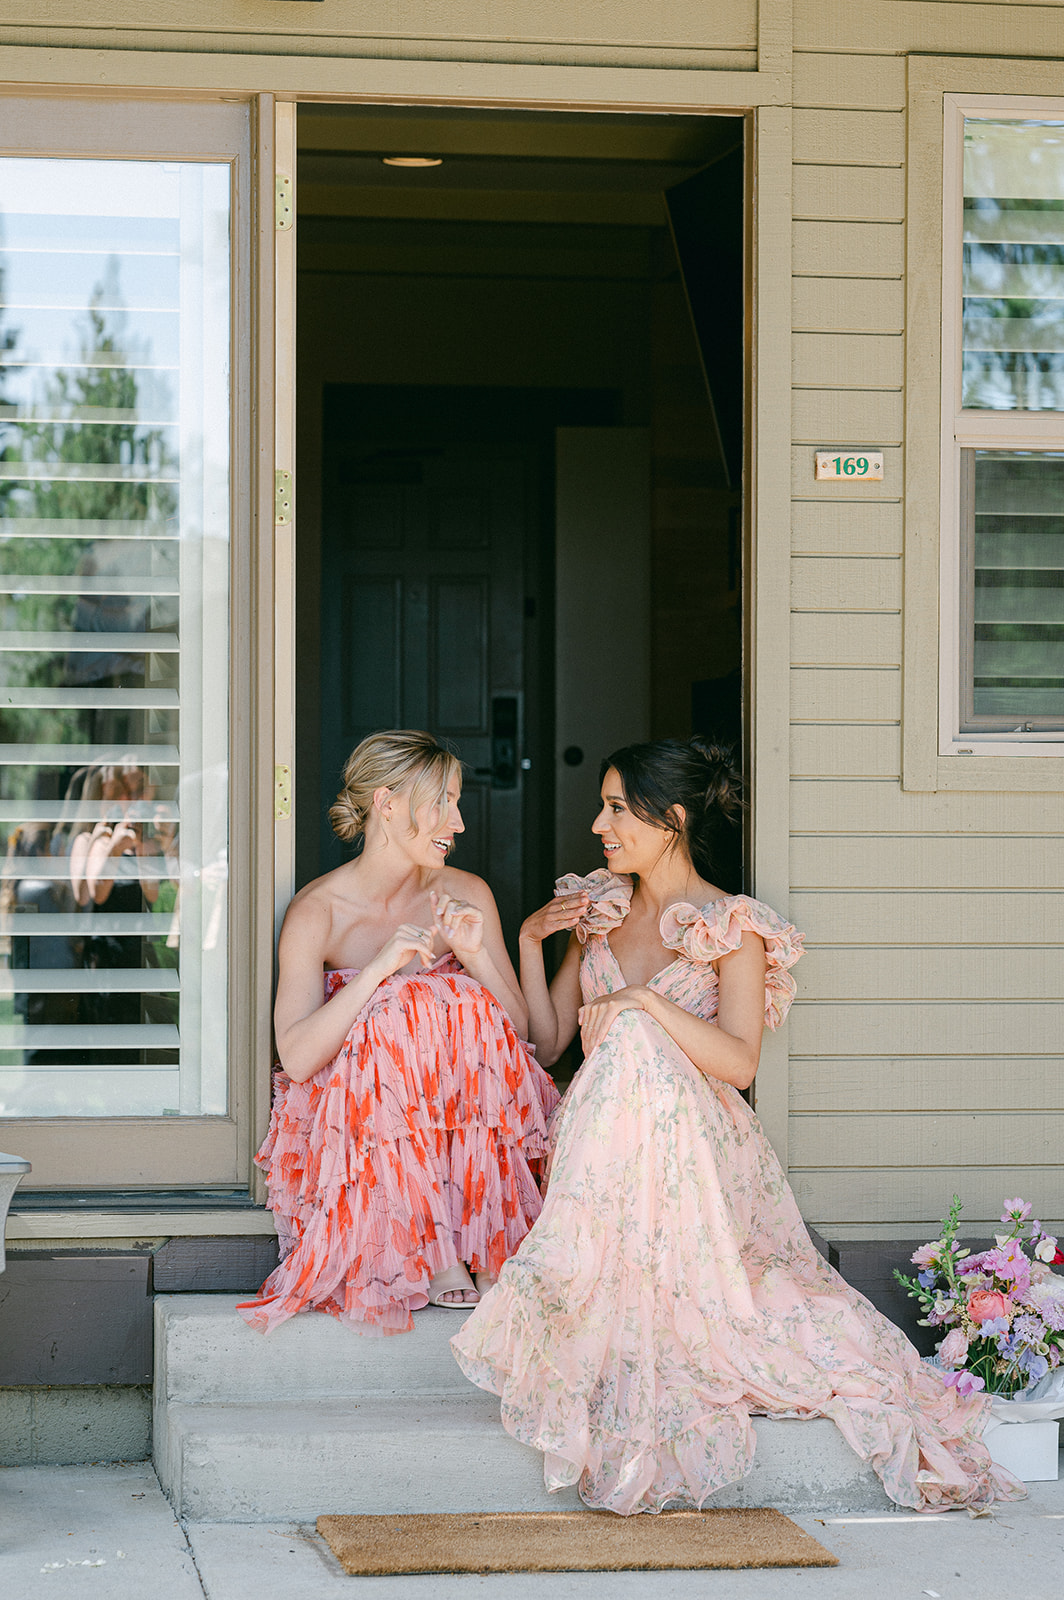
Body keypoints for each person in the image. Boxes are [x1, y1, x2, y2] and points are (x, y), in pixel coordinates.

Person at [452, 737, 1025, 1515]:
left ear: (673, 818)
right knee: (617, 1044)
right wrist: (527, 939)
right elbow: (553, 1042)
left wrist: (649, 1003)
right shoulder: (599, 914)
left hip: (699, 1145)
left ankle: (576, 1277)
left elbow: (740, 1062)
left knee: (632, 1037)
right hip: (607, 1143)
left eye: (617, 808)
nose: (598, 825)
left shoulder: (734, 927)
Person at [238, 730, 559, 1336]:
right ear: (386, 804)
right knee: (396, 1007)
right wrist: (379, 972)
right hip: (364, 1111)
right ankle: (430, 1243)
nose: (458, 823)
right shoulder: (320, 911)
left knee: (459, 996)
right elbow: (299, 1056)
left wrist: (477, 957)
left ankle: (481, 1231)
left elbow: (519, 1037)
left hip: (459, 1101)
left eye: (457, 803)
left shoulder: (467, 893)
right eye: (442, 803)